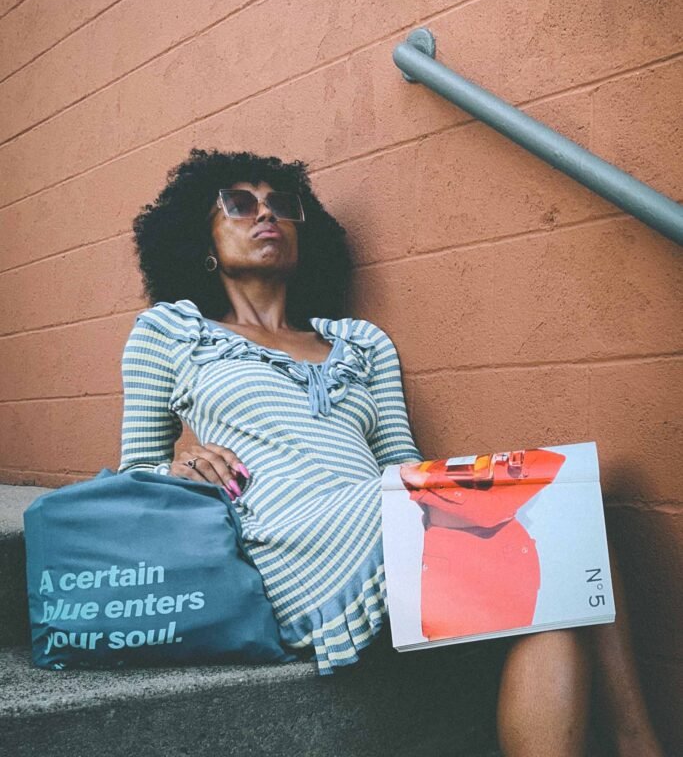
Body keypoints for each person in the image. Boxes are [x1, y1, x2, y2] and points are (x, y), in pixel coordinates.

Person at [119, 148, 663, 757]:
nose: (265, 214)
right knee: (553, 505)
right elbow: (133, 474)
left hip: (380, 519)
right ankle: (640, 742)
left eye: (281, 205)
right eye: (240, 205)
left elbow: (403, 467)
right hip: (289, 544)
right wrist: (176, 468)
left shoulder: (361, 342)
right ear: (204, 241)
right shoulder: (171, 333)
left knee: (555, 597)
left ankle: (635, 741)